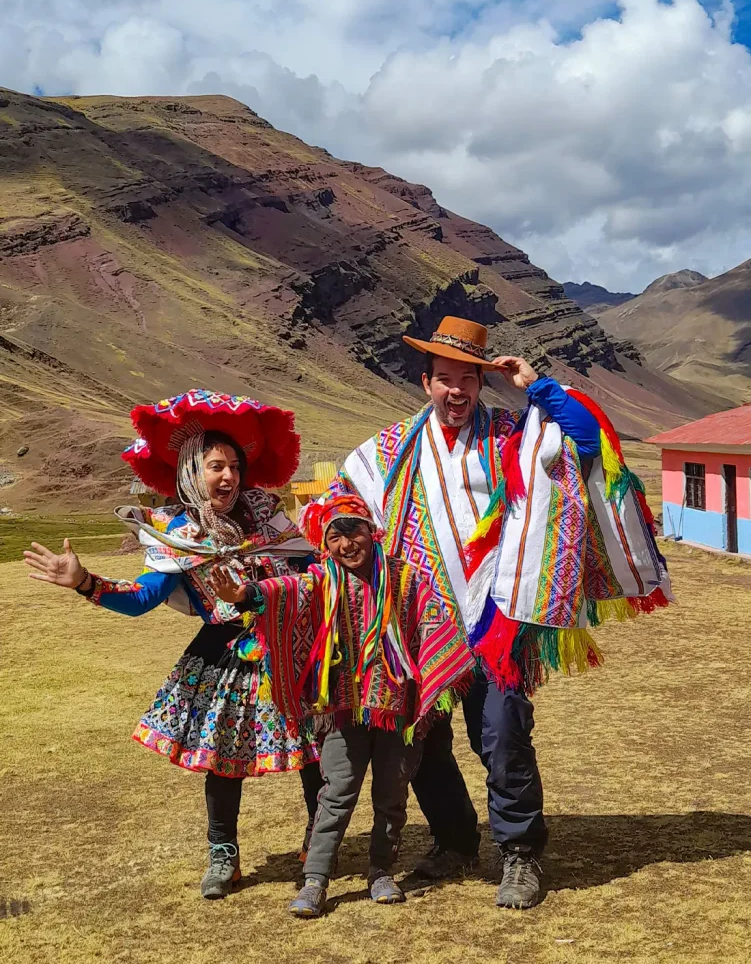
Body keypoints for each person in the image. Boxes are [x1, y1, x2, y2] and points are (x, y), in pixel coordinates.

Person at [328, 316, 671, 909]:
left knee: (503, 736)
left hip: (498, 617)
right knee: (423, 745)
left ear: (483, 383)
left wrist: (536, 385)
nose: (455, 391)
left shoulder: (513, 436)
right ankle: (456, 842)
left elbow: (585, 442)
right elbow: (343, 500)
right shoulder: (389, 450)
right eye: (444, 379)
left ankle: (519, 853)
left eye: (468, 379)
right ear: (424, 382)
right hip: (423, 624)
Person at [23, 390, 323, 900]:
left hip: (287, 644)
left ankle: (320, 841)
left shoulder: (268, 514)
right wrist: (84, 582)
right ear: (190, 470)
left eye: (234, 466)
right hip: (224, 655)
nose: (227, 477)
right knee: (223, 756)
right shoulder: (177, 532)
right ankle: (223, 853)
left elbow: (310, 569)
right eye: (214, 467)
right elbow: (142, 598)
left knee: (315, 751)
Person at [211, 493, 475, 917]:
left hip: (398, 711)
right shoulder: (320, 580)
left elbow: (434, 621)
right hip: (340, 709)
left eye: (354, 531)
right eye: (334, 536)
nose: (346, 543)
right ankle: (315, 879)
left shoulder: (405, 579)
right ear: (324, 544)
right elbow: (285, 590)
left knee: (392, 794)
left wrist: (442, 669)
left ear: (373, 532)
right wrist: (245, 595)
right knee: (336, 793)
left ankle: (381, 871)